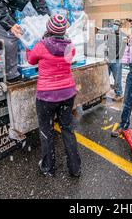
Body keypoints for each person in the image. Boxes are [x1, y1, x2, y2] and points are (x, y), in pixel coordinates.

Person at [26, 14, 81, 177]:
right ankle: (75, 168)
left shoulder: (41, 45)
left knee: (46, 131)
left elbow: (30, 60)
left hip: (46, 97)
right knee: (67, 130)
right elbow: (69, 59)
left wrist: (29, 46)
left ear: (48, 29)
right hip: (67, 94)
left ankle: (48, 167)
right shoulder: (70, 46)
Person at [105, 20, 128, 101]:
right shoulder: (109, 34)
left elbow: (123, 49)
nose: (115, 26)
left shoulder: (123, 36)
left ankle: (119, 92)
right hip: (108, 59)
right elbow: (106, 45)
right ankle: (103, 93)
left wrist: (117, 57)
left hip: (117, 60)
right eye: (114, 24)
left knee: (117, 78)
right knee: (105, 77)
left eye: (117, 25)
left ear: (120, 26)